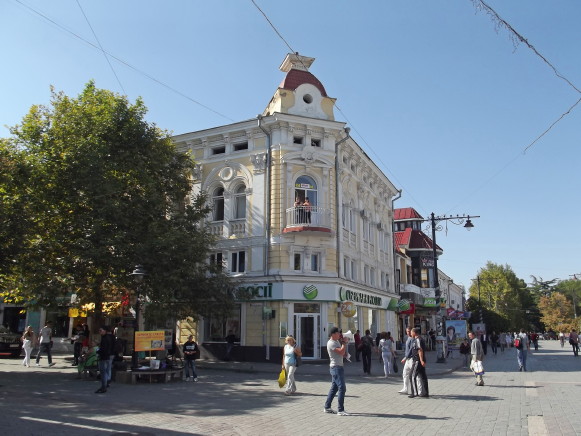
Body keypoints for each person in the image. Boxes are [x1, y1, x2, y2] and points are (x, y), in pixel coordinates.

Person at [324, 327, 349, 415]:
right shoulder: (331, 343)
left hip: (338, 367)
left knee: (334, 388)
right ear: (333, 334)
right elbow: (341, 352)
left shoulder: (336, 341)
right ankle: (340, 410)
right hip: (336, 368)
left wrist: (346, 354)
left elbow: (342, 353)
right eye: (338, 333)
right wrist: (344, 343)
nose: (339, 334)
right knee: (342, 387)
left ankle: (327, 407)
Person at [408, 327, 428, 398]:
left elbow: (420, 350)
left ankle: (414, 393)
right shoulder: (417, 339)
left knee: (411, 376)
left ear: (414, 333)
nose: (410, 334)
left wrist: (421, 360)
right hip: (419, 360)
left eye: (411, 332)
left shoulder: (418, 340)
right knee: (423, 376)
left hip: (417, 360)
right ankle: (426, 393)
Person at [95, 326, 115, 393]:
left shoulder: (106, 338)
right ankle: (106, 382)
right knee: (106, 369)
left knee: (103, 372)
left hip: (104, 357)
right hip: (108, 356)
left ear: (105, 331)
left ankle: (104, 386)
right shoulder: (107, 337)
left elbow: (104, 348)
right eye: (99, 330)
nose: (99, 332)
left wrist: (99, 352)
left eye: (101, 330)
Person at [398, 327, 414, 394]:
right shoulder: (408, 338)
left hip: (411, 359)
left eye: (409, 331)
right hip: (408, 359)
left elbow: (411, 349)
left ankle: (417, 390)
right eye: (407, 331)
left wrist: (405, 357)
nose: (408, 332)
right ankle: (405, 389)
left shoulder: (413, 339)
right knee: (405, 373)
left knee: (414, 375)